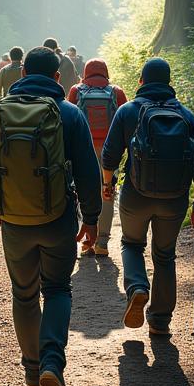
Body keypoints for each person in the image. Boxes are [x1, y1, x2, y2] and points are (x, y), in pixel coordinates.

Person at [0, 46, 102, 386]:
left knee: (24, 294)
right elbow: (89, 173)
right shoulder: (70, 113)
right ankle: (51, 363)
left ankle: (31, 375)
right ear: (58, 77)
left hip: (14, 221)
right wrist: (91, 219)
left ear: (22, 72)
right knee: (58, 289)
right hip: (58, 217)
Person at [100, 58, 194, 337]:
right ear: (169, 82)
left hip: (136, 195)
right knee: (165, 256)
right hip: (175, 199)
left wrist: (107, 184)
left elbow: (110, 154)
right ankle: (160, 322)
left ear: (141, 82)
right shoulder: (185, 114)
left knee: (131, 244)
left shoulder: (127, 111)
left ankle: (137, 287)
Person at [68, 59, 128, 257]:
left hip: (83, 148)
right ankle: (102, 242)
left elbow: (69, 120)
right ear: (105, 72)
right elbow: (125, 121)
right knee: (107, 193)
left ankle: (88, 241)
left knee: (83, 192)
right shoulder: (116, 92)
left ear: (86, 73)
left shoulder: (76, 91)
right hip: (110, 149)